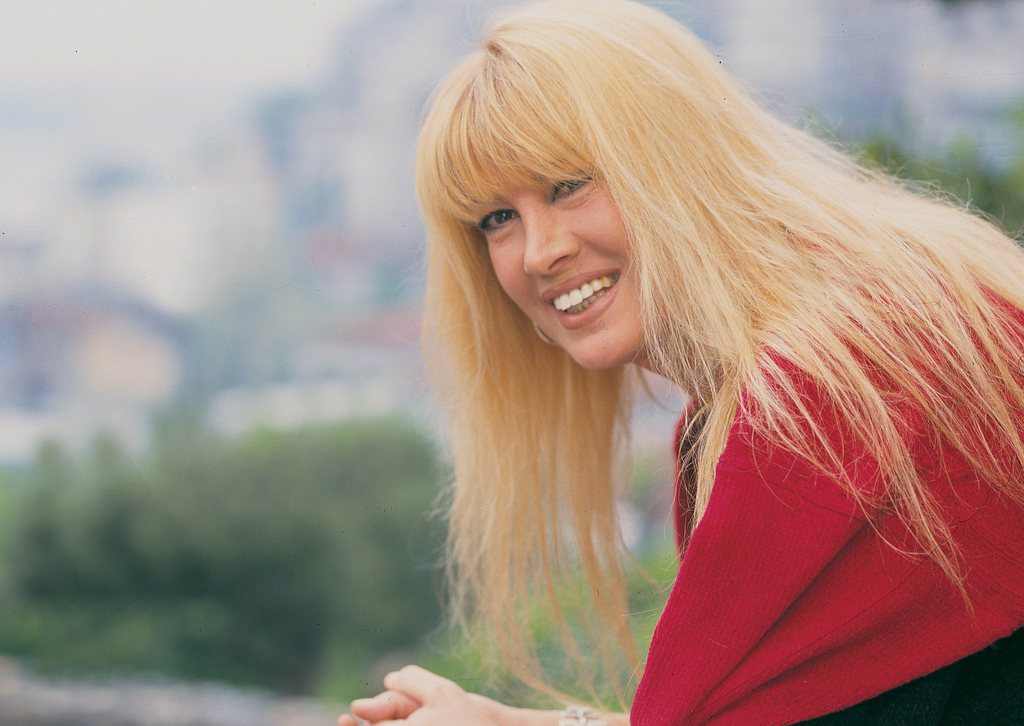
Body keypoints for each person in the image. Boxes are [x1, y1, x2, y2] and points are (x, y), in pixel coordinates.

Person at [339, 0, 1024, 723]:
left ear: (674, 156)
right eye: (497, 219)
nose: (539, 252)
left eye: (568, 185)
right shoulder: (808, 364)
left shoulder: (828, 394)